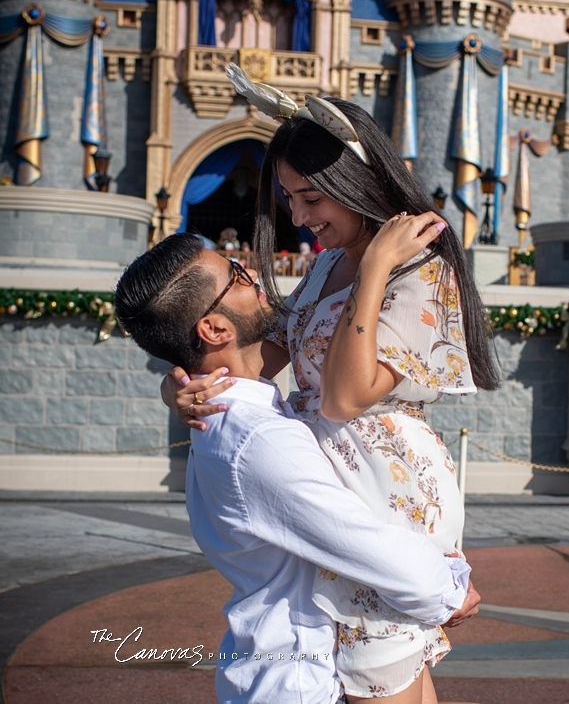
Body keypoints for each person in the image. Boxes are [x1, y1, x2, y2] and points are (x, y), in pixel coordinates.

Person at [163, 69, 503, 704]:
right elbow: (259, 356)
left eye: (311, 198)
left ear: (354, 183)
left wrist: (373, 267)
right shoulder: (324, 265)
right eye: (290, 198)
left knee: (376, 675)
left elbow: (348, 396)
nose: (298, 216)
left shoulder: (421, 264)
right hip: (334, 495)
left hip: (386, 491)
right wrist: (180, 386)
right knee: (388, 678)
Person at [115, 233, 480, 704]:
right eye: (238, 275)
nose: (252, 273)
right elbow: (353, 536)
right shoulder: (258, 439)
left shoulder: (236, 417)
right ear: (214, 329)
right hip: (298, 679)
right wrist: (448, 591)